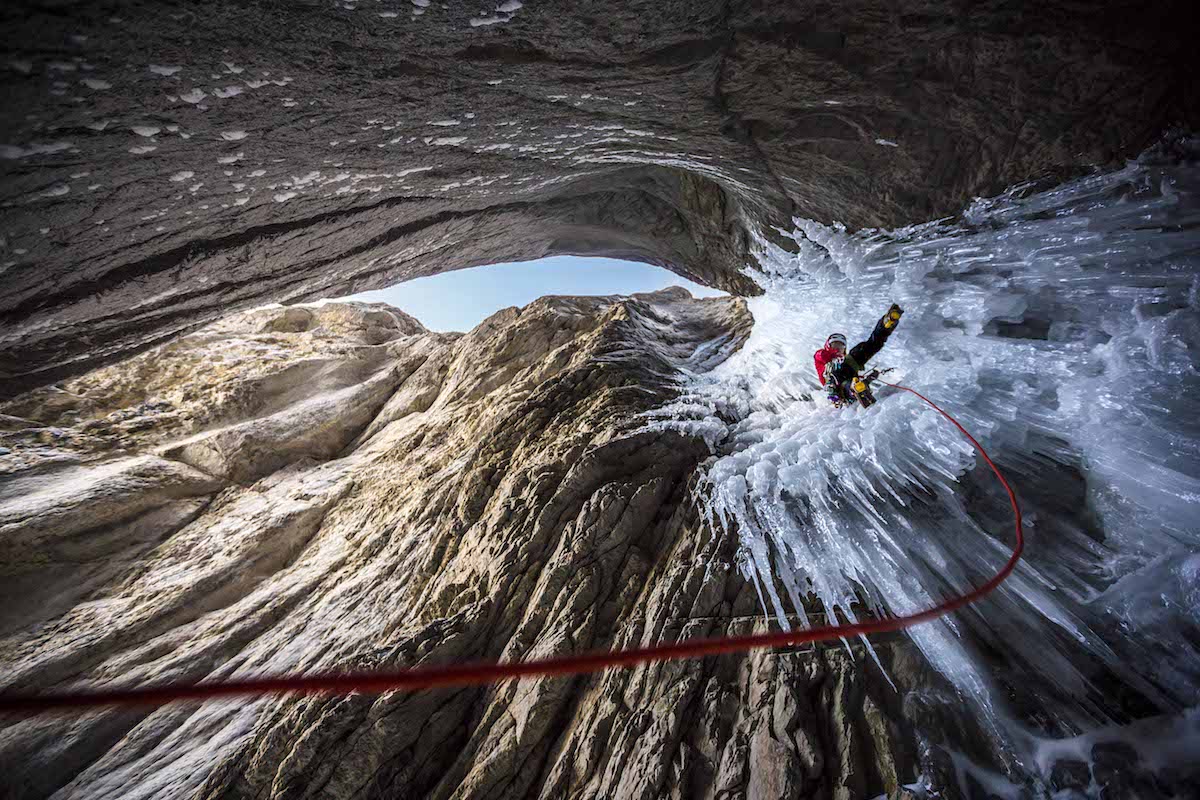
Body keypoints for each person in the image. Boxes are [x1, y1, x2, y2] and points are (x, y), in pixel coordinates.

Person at [814, 303, 903, 407]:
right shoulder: (822, 357)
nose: (838, 349)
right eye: (834, 345)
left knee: (872, 345)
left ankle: (886, 323)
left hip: (849, 371)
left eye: (841, 347)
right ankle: (855, 388)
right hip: (838, 386)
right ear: (828, 346)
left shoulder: (846, 359)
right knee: (838, 377)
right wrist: (833, 354)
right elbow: (820, 355)